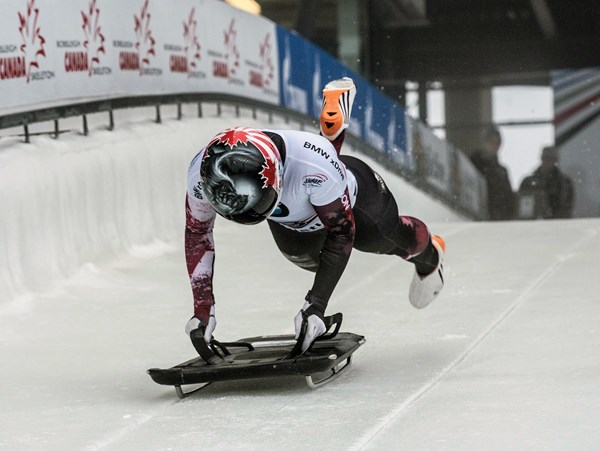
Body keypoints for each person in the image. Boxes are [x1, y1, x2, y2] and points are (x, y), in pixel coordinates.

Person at [184, 78, 446, 356]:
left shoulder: (312, 166)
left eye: (260, 203)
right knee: (309, 262)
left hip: (354, 199)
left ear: (277, 175)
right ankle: (331, 131)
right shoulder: (200, 175)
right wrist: (202, 309)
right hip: (295, 218)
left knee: (387, 239)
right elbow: (197, 234)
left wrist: (316, 306)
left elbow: (342, 233)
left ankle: (431, 255)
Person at [470, 126, 515, 220]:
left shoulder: (502, 172)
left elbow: (508, 200)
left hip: (495, 219)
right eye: (491, 143)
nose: (494, 147)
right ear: (484, 142)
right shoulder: (472, 165)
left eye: (497, 144)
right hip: (473, 215)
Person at [517, 146, 574, 219]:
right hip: (532, 226)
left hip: (556, 225)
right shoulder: (528, 182)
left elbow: (566, 208)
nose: (548, 161)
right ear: (541, 158)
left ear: (556, 160)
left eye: (552, 159)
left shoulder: (565, 183)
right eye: (546, 158)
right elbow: (523, 208)